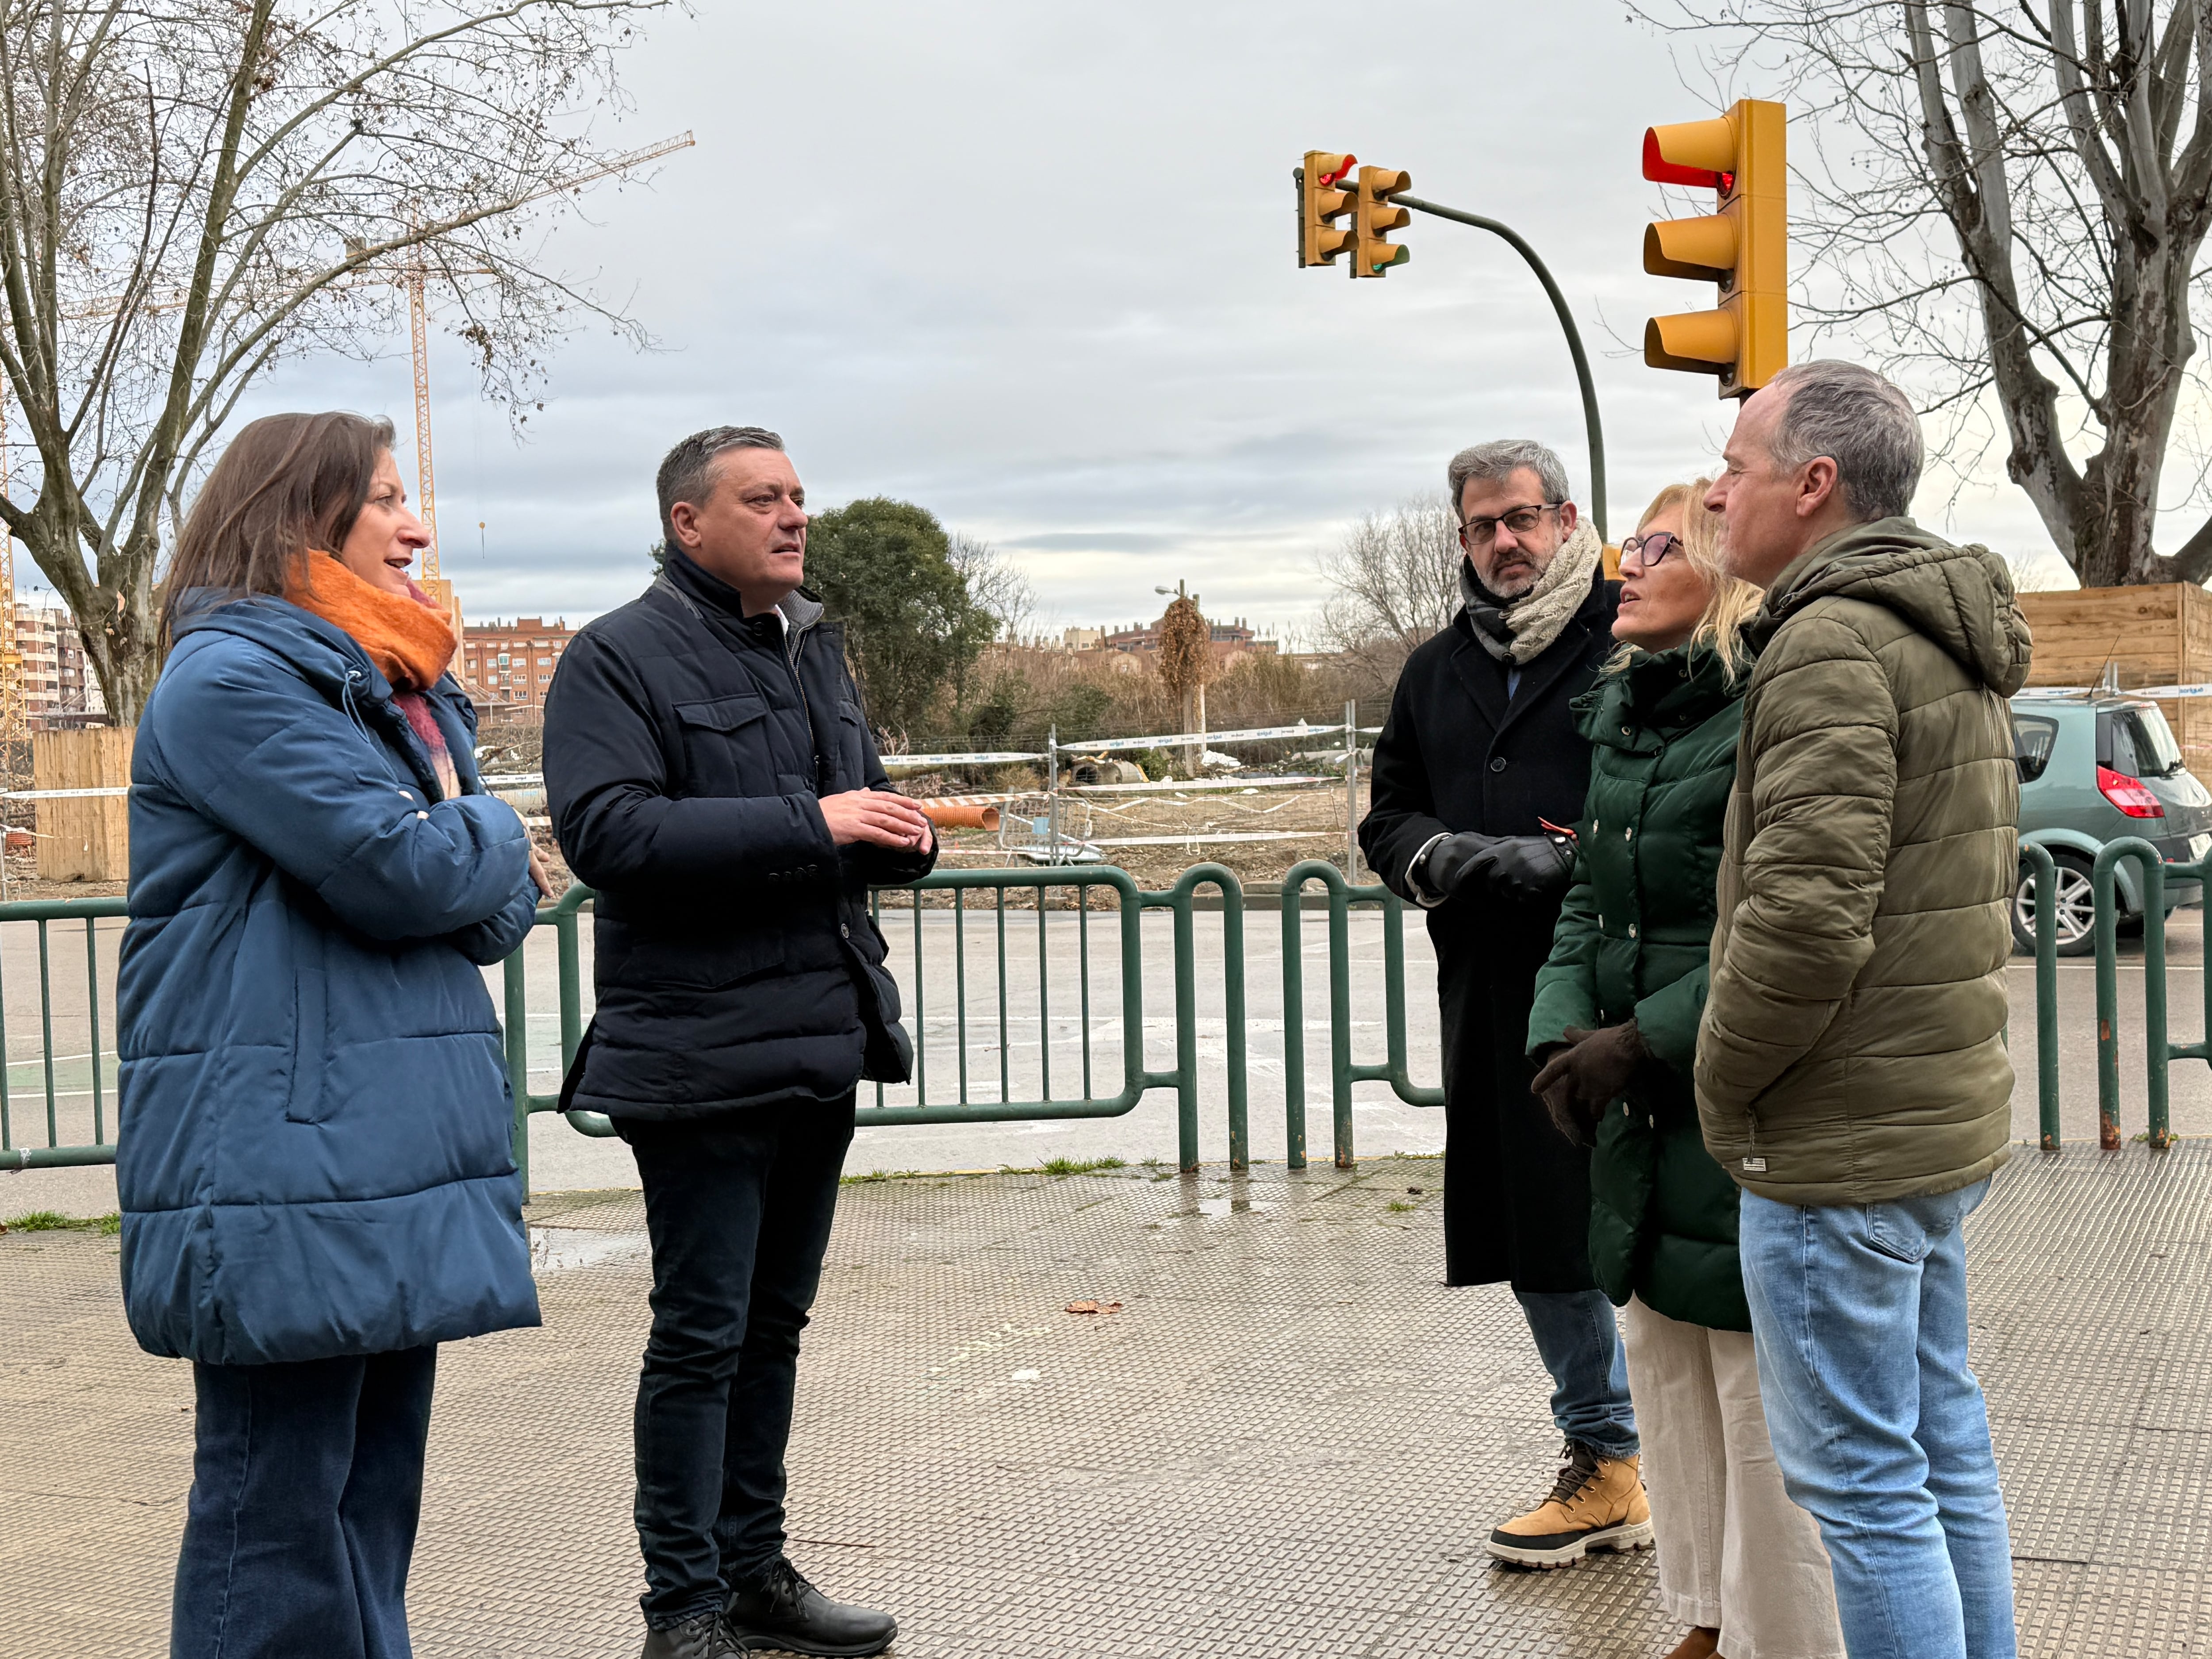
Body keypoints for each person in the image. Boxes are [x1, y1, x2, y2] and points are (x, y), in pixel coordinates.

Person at [117, 411, 549, 1659]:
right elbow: (411, 871)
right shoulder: (234, 681)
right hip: (283, 1153)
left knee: (364, 1502)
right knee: (277, 1514)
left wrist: (468, 847)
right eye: (387, 499)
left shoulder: (384, 685)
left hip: (381, 1149)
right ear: (301, 515)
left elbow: (485, 917)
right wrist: (498, 830)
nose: (417, 527)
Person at [543, 426, 936, 1659]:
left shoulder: (812, 645)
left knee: (772, 1328)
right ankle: (683, 1608)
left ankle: (755, 1570)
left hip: (819, 1038)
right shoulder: (615, 657)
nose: (794, 515)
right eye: (763, 498)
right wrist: (817, 821)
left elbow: (853, 809)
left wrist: (901, 836)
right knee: (701, 1334)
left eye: (799, 495)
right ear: (688, 522)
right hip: (696, 1055)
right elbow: (612, 835)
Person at [1697, 361, 2032, 1659]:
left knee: (1866, 1487)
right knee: (1941, 1451)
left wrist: (1723, 1080)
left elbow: (1804, 920)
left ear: (1814, 484)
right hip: (1926, 1122)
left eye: (1737, 466)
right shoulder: (1938, 627)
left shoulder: (1831, 638)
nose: (1716, 493)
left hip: (1838, 1142)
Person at [1527, 481, 1844, 1659]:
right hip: (1640, 1109)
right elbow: (1589, 904)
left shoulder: (1768, 708)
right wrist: (1559, 1031)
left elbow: (1778, 923)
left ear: (1723, 572)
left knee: (1759, 1406)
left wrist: (1644, 1035)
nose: (1627, 564)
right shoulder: (1624, 714)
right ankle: (1705, 1619)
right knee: (1667, 1378)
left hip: (1737, 1099)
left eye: (1657, 545)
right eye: (1629, 544)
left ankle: (1786, 1638)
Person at [1360, 438, 1650, 1567]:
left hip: (1626, 985)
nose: (1504, 542)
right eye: (1483, 526)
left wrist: (1569, 861)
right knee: (1540, 1237)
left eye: (1522, 519)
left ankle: (1706, 1462)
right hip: (1491, 990)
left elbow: (1680, 800)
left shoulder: (1634, 634)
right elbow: (1388, 813)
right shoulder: (1434, 669)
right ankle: (1606, 1458)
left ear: (1566, 519)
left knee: (1653, 1217)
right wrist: (1441, 856)